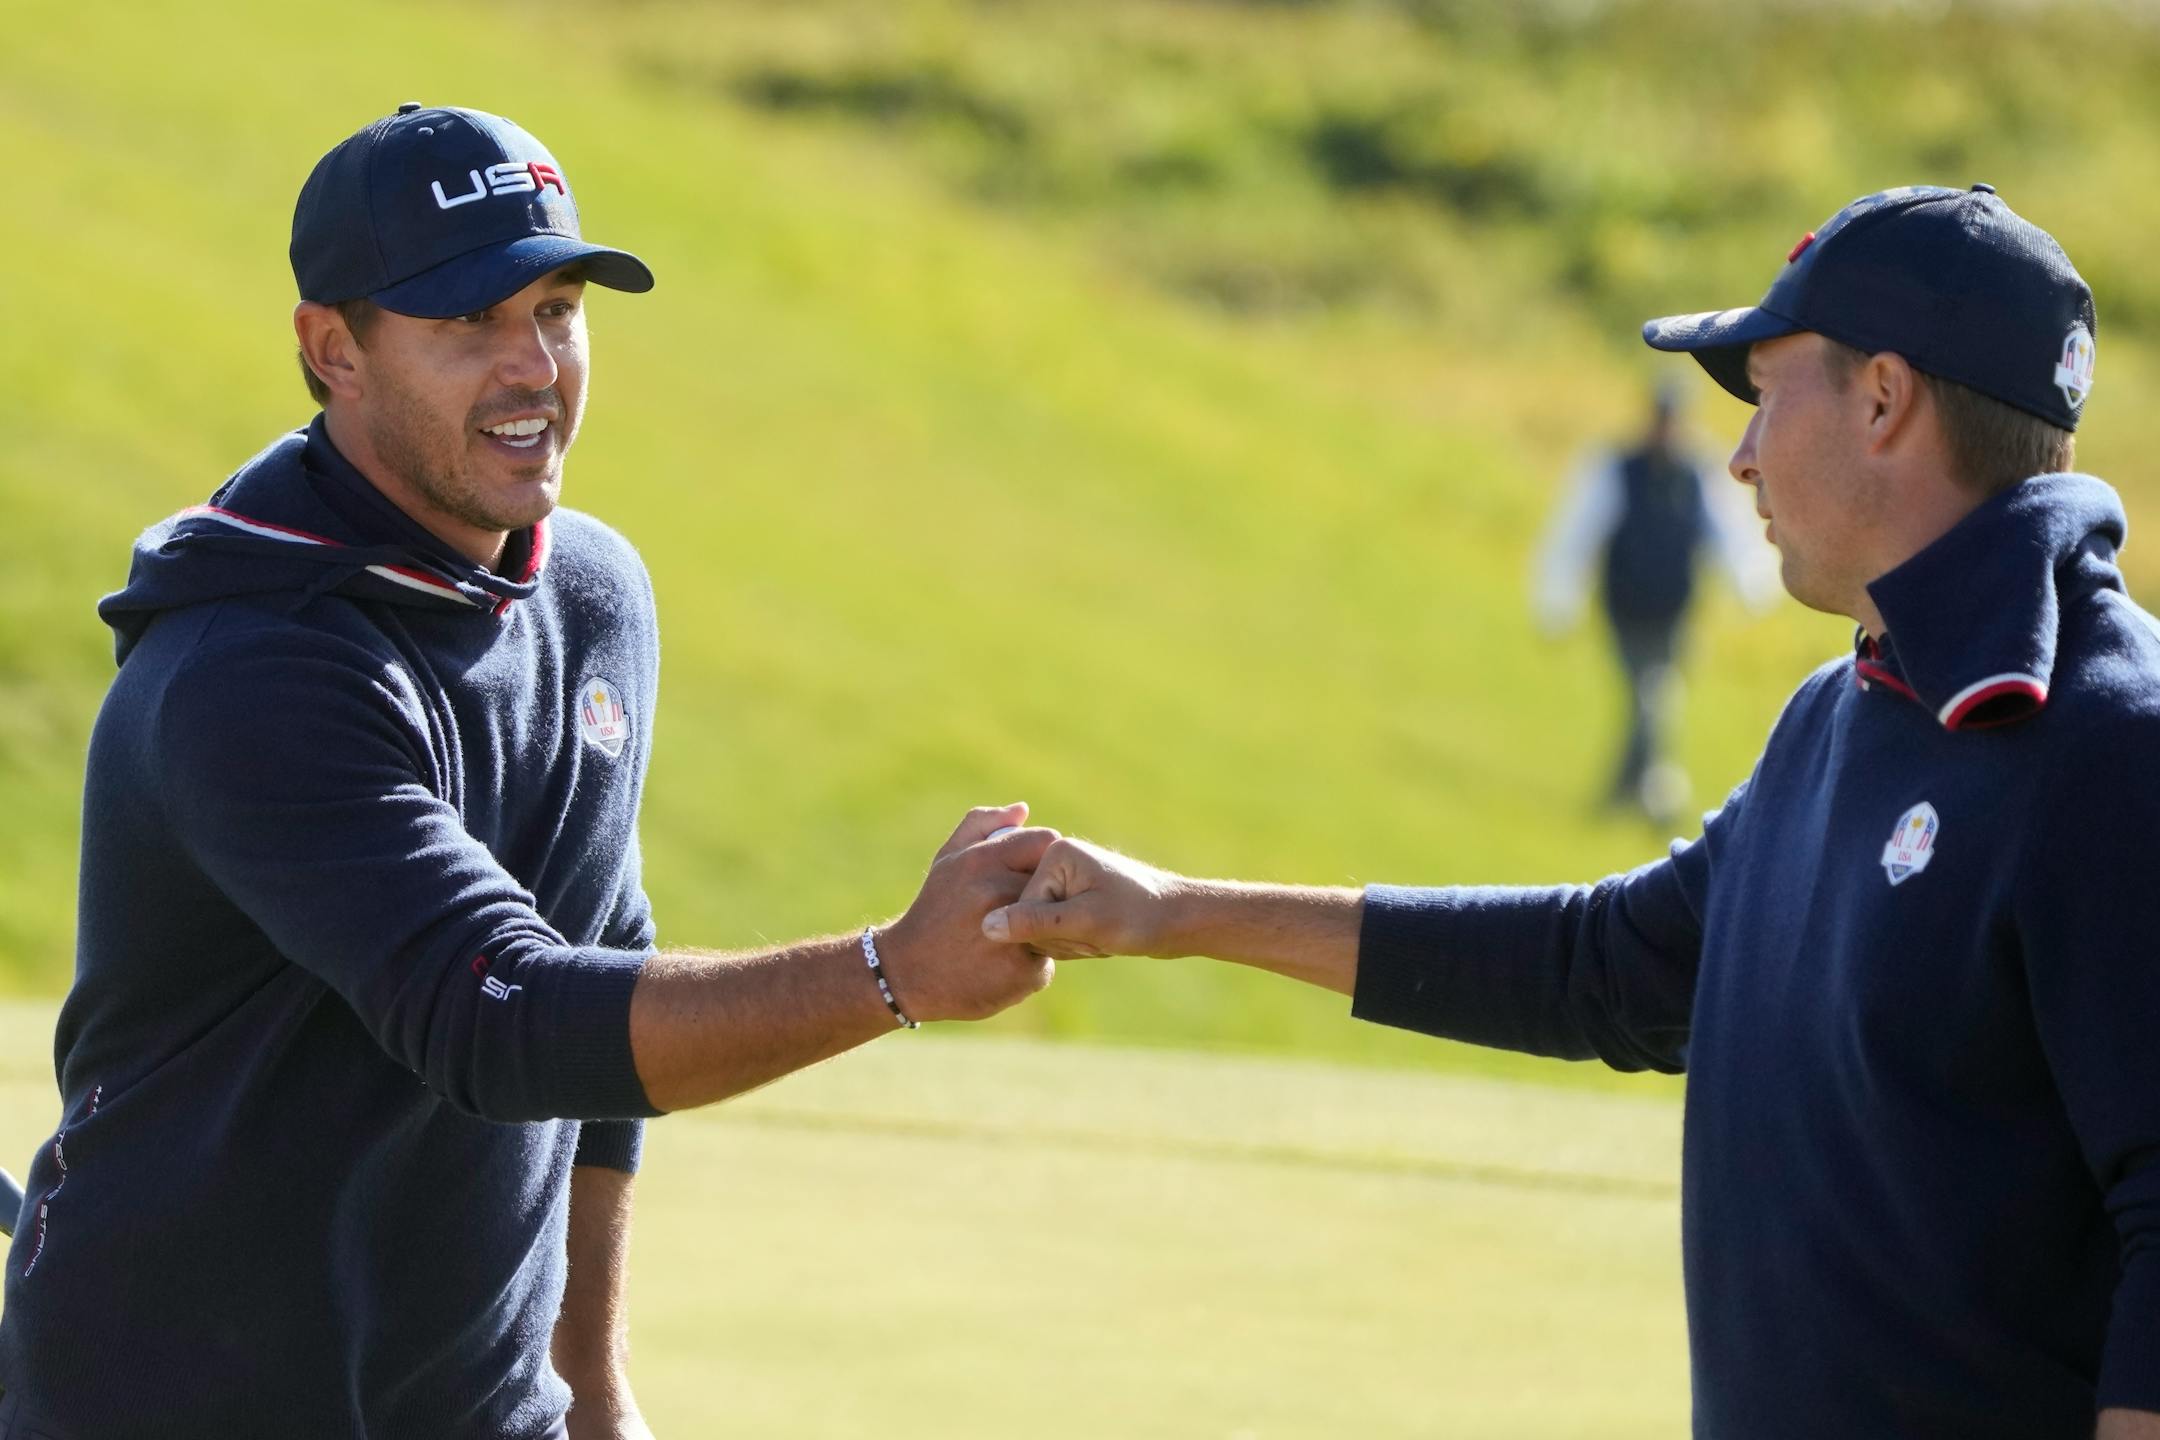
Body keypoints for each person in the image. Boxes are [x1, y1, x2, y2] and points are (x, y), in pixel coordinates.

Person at [981, 186, 2160, 1438]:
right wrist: (1175, 913)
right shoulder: (1845, 708)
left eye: (1765, 394)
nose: (1741, 455)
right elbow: (1609, 967)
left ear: (1883, 398)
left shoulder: (2112, 747)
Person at [0, 103, 1057, 1440]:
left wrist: (588, 1383)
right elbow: (502, 1022)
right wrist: (890, 973)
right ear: (333, 351)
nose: (532, 371)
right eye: (466, 326)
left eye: (556, 311)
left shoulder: (593, 594)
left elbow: (602, 943)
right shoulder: (252, 670)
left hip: (473, 1408)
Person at [1534, 383, 1773, 821]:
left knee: (1651, 697)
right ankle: (1660, 794)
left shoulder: (1698, 473)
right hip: (1623, 609)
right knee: (1651, 698)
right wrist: (1557, 601)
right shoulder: (1616, 467)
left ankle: (1619, 793)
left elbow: (1728, 533)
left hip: (1674, 612)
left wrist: (1751, 585)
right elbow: (1577, 533)